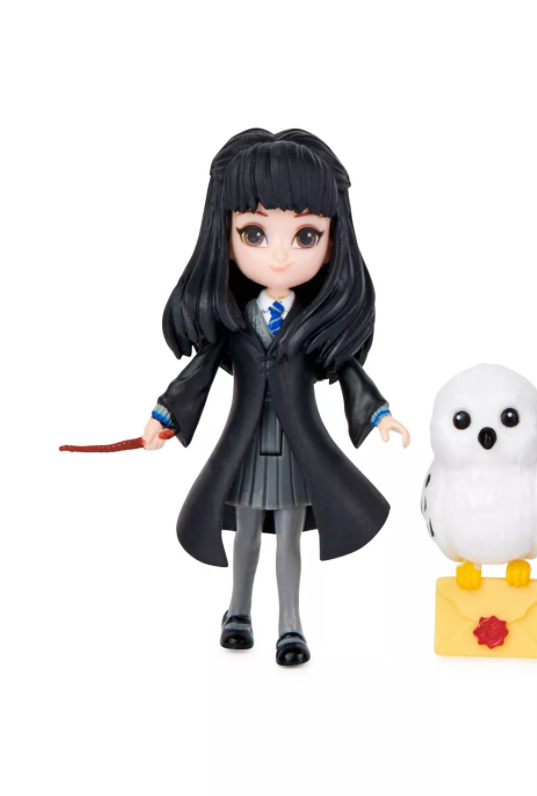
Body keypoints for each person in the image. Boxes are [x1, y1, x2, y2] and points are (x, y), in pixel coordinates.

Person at [145, 129, 410, 666]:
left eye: (306, 235)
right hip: (244, 449)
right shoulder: (236, 322)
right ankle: (238, 613)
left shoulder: (314, 325)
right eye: (255, 233)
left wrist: (378, 415)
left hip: (297, 453)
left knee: (289, 540)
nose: (282, 255)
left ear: (332, 241)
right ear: (225, 235)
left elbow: (349, 372)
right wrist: (164, 415)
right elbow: (199, 373)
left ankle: (290, 624)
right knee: (245, 536)